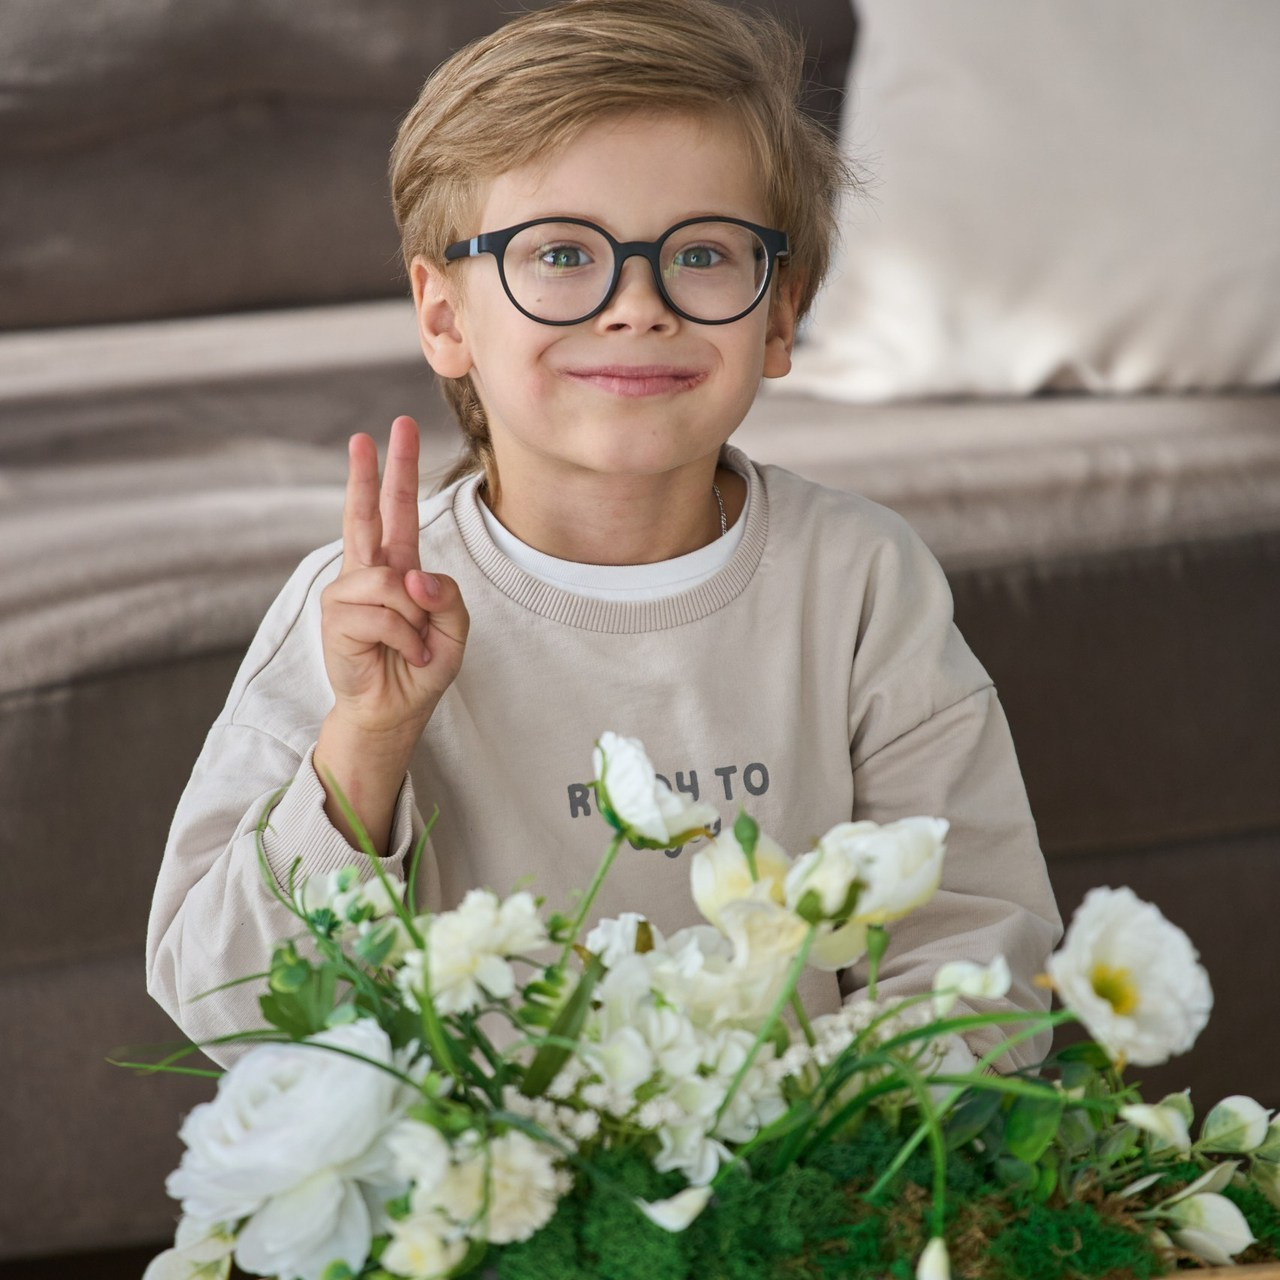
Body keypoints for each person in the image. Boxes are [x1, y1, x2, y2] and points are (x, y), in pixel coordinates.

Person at [146, 0, 1061, 1069]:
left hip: (803, 1197)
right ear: (444, 318)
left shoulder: (858, 579)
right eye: (562, 254)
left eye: (705, 253)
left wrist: (845, 1155)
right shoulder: (357, 611)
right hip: (497, 1209)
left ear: (778, 318)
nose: (636, 304)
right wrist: (365, 741)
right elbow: (224, 1000)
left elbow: (972, 941)